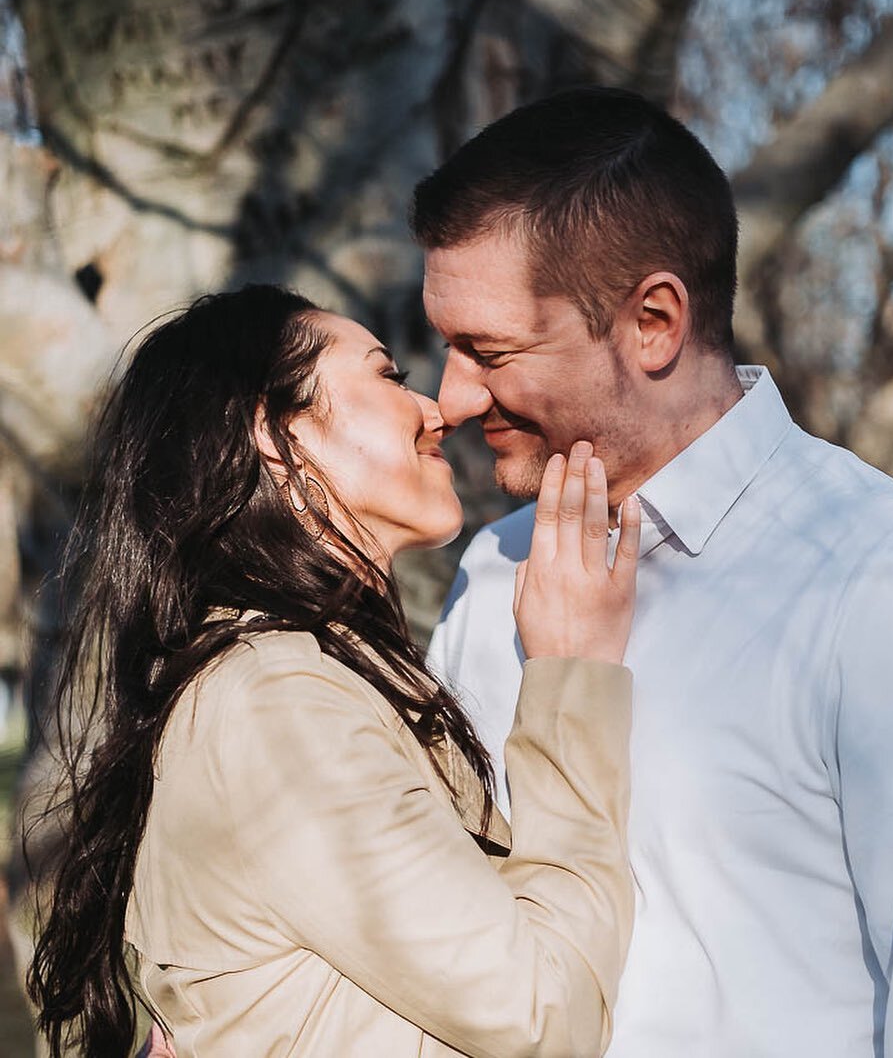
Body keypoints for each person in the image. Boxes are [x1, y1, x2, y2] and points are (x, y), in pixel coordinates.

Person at [413, 86, 893, 1058]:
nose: (452, 396)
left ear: (655, 321)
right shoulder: (494, 570)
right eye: (446, 345)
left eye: (487, 350)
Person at [26, 284, 644, 1058]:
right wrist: (570, 673)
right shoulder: (277, 702)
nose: (436, 409)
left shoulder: (302, 677)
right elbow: (545, 1014)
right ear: (275, 435)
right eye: (387, 375)